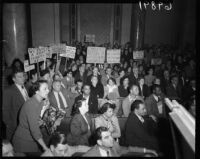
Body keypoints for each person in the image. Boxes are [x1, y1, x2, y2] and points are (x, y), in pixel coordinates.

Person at [12, 80, 49, 153]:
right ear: (37, 91)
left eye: (47, 88)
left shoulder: (39, 101)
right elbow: (34, 130)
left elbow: (34, 116)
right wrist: (45, 147)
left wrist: (39, 120)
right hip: (23, 142)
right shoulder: (32, 105)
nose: (48, 91)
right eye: (45, 89)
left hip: (31, 139)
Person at [83, 126, 158, 157]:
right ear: (99, 142)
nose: (111, 139)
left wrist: (146, 150)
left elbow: (128, 149)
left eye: (110, 135)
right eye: (106, 137)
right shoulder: (90, 155)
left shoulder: (114, 145)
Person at [3, 68, 29, 141]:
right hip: (15, 126)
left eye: (23, 75)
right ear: (14, 79)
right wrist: (10, 124)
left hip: (25, 124)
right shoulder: (8, 91)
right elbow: (4, 110)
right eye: (19, 77)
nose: (23, 78)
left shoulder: (26, 87)